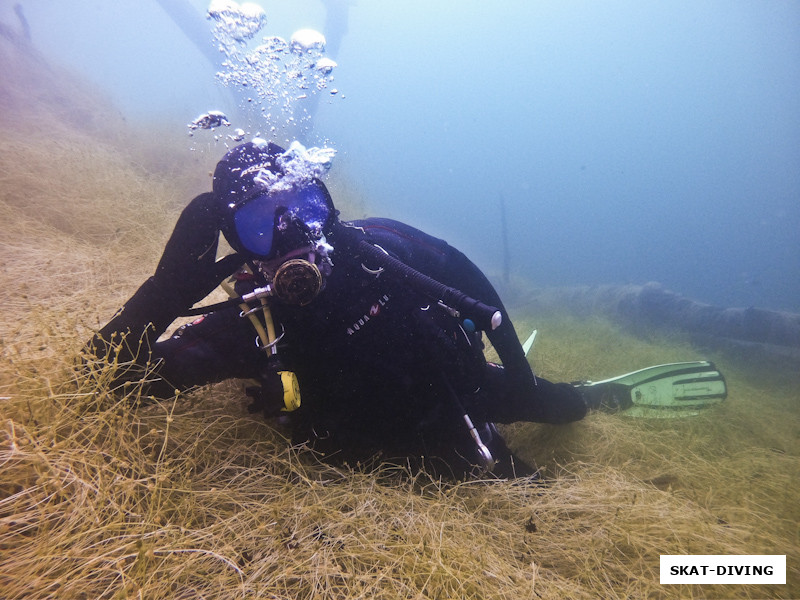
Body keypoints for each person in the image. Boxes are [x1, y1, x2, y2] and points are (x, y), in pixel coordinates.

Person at [88, 140, 588, 479]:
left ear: (326, 208)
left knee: (569, 409)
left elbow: (471, 285)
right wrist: (164, 293)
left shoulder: (382, 250)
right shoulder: (252, 325)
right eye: (259, 225)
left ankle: (579, 396)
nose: (290, 236)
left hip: (465, 395)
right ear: (235, 240)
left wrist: (520, 382)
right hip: (378, 457)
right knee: (525, 487)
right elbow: (103, 382)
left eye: (303, 208)